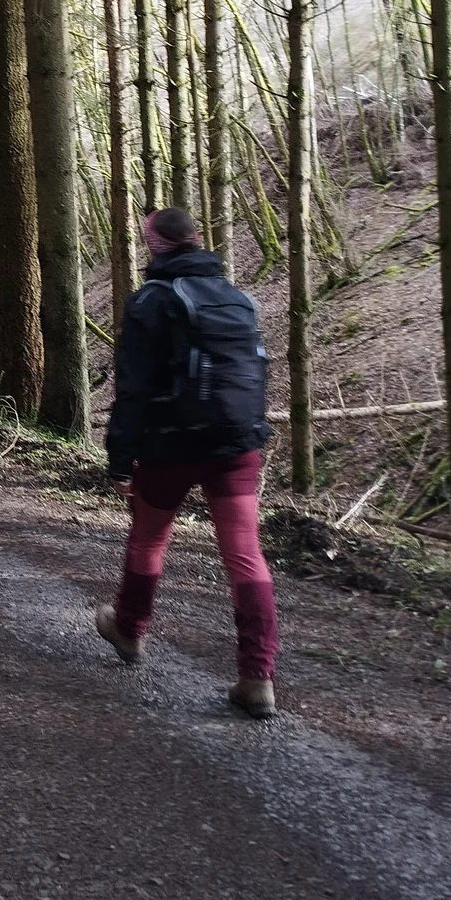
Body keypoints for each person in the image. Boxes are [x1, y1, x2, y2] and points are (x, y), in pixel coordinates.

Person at [94, 206, 280, 719]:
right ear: (198, 241)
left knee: (150, 538)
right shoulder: (239, 299)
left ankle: (130, 631)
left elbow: (132, 390)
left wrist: (119, 461)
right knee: (245, 554)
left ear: (152, 244)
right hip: (238, 444)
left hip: (169, 446)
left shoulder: (151, 301)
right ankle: (257, 676)